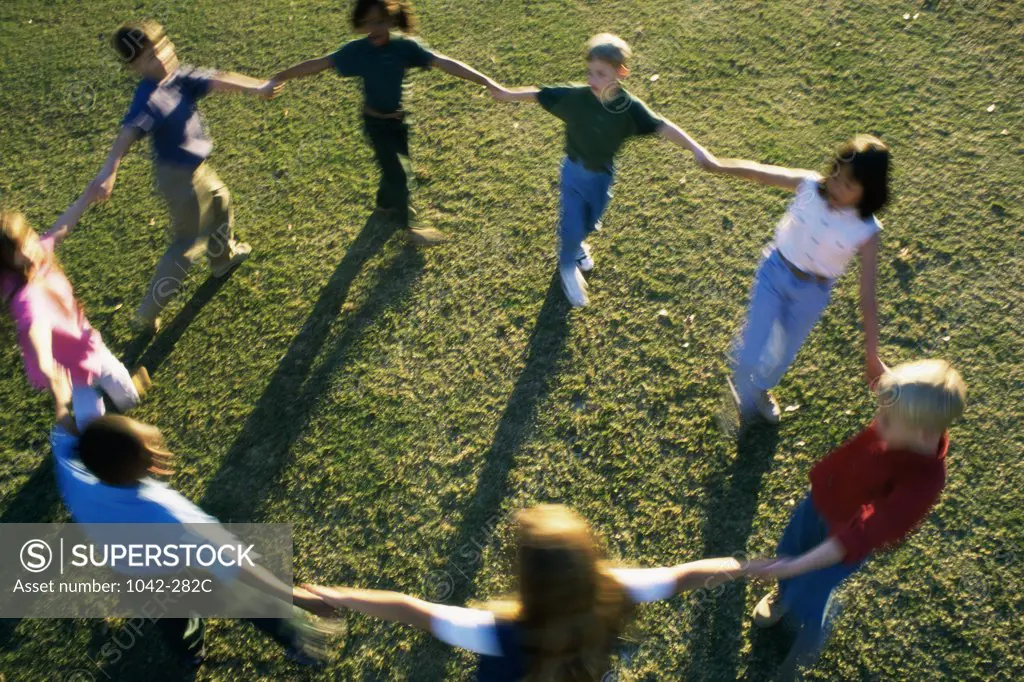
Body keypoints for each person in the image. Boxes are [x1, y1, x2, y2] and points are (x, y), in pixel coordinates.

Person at [304, 504, 766, 680]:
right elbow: (685, 575)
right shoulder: (613, 593)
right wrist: (750, 567)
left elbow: (412, 609)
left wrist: (337, 595)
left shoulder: (500, 633)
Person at [51, 414, 337, 666]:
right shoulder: (166, 512)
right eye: (149, 448)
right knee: (248, 599)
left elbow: (64, 434)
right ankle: (299, 643)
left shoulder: (76, 477)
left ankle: (189, 653)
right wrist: (297, 596)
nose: (158, 450)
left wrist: (60, 395)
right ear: (140, 462)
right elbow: (234, 564)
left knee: (170, 620)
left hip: (132, 577)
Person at [747, 359, 967, 676]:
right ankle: (784, 593)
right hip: (821, 503)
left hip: (842, 546)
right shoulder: (906, 412)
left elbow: (854, 538)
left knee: (809, 601)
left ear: (921, 433)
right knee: (790, 548)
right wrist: (871, 346)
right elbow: (886, 382)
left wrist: (794, 567)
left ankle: (798, 659)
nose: (877, 423)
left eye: (887, 420)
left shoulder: (921, 484)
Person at [85, 20, 284, 334]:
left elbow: (218, 79)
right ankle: (147, 313)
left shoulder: (180, 77)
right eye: (149, 57)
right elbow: (127, 134)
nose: (161, 58)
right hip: (178, 179)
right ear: (134, 68)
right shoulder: (149, 99)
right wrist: (109, 171)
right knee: (186, 245)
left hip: (198, 169)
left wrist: (258, 87)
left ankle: (222, 259)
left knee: (220, 201)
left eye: (162, 47)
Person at [489, 33, 712, 307]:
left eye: (600, 74)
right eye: (589, 72)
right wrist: (508, 94)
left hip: (602, 176)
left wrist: (696, 148)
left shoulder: (628, 108)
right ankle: (567, 266)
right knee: (571, 223)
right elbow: (539, 94)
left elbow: (662, 126)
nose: (592, 80)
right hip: (573, 170)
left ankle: (577, 246)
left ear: (621, 73)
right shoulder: (576, 97)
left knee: (590, 220)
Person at [270, 0, 502, 246]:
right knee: (400, 174)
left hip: (399, 121)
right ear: (360, 24)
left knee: (394, 165)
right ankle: (411, 227)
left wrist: (486, 81)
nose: (374, 28)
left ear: (392, 20)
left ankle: (384, 204)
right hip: (375, 124)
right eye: (368, 22)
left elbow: (443, 62)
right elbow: (320, 63)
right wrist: (279, 76)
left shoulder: (404, 47)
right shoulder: (357, 51)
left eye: (380, 21)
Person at [698, 135, 890, 425]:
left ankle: (760, 389)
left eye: (848, 184)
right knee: (751, 348)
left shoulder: (866, 230)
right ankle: (743, 381)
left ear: (868, 192)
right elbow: (760, 173)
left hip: (812, 294)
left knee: (782, 356)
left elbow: (867, 295)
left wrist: (872, 355)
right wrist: (717, 165)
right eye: (836, 173)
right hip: (775, 273)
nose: (836, 184)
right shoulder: (810, 186)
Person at [1, 200, 150, 430]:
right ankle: (98, 444)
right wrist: (47, 369)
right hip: (74, 373)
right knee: (91, 424)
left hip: (93, 348)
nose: (29, 250)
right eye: (18, 252)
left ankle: (126, 398)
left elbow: (62, 226)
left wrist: (92, 191)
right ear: (8, 263)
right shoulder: (26, 296)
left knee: (127, 395)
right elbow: (35, 327)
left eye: (28, 239)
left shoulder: (41, 257)